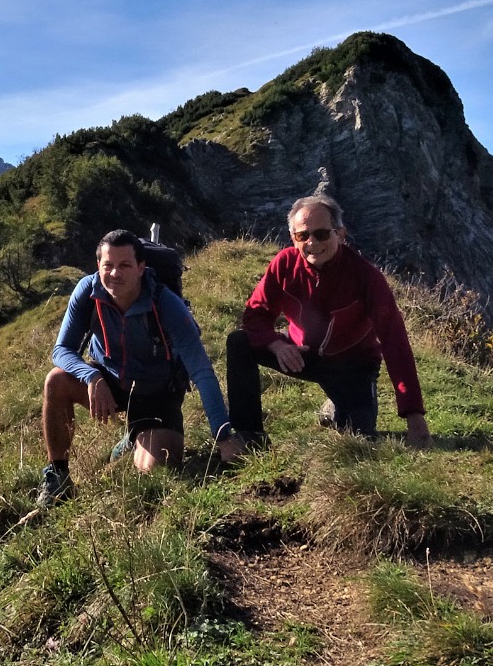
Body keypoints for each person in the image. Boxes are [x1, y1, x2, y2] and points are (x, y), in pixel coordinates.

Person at [220, 193, 432, 463]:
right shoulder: (284, 264)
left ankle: (338, 407)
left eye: (321, 234)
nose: (312, 243)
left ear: (340, 234)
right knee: (239, 342)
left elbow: (394, 341)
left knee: (358, 441)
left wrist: (414, 416)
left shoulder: (366, 276)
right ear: (292, 237)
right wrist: (275, 343)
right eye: (302, 235)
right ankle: (250, 435)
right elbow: (255, 315)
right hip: (302, 354)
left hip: (353, 366)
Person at [37, 229, 230, 508]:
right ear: (98, 267)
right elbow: (61, 350)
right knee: (56, 381)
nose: (116, 273)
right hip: (111, 381)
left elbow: (201, 371)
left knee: (152, 471)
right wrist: (92, 377)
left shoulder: (165, 304)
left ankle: (133, 440)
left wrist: (223, 437)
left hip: (158, 393)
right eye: (108, 265)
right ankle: (57, 476)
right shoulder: (87, 292)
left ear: (142, 268)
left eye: (125, 265)